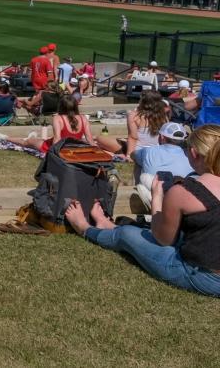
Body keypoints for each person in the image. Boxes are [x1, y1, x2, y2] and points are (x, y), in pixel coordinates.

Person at [64, 125, 220, 298]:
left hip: (203, 275)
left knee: (127, 234)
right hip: (207, 259)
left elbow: (163, 239)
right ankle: (107, 224)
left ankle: (84, 227)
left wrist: (157, 197)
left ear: (193, 153)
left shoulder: (186, 191)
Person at [0, 95, 99, 154]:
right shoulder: (83, 118)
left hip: (59, 148)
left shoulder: (58, 118)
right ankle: (25, 138)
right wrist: (97, 151)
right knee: (37, 141)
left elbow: (57, 139)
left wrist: (55, 155)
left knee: (27, 142)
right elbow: (90, 139)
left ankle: (6, 138)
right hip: (74, 147)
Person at [131, 122, 193, 210]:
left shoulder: (149, 151)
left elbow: (132, 155)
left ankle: (150, 197)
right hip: (184, 192)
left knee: (141, 168)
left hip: (157, 187)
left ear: (162, 137)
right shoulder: (189, 154)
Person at [127, 90, 169, 160]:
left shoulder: (134, 115)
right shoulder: (163, 116)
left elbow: (133, 137)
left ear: (143, 101)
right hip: (158, 151)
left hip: (140, 152)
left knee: (103, 140)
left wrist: (129, 156)